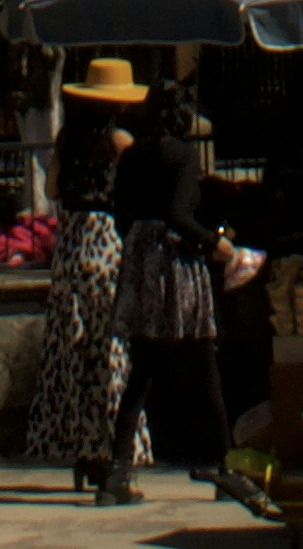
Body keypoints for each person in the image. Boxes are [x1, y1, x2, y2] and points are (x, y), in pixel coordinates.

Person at [105, 81, 236, 504]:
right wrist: (214, 243)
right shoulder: (181, 154)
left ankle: (116, 474)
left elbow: (121, 215)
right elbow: (179, 215)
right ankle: (224, 467)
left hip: (140, 264)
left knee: (140, 370)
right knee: (204, 363)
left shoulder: (131, 157)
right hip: (176, 264)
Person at [23, 61, 141, 493]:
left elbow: (52, 190)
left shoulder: (67, 138)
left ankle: (83, 452)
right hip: (104, 242)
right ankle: (112, 454)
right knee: (109, 351)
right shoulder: (120, 141)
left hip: (70, 246)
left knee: (72, 352)